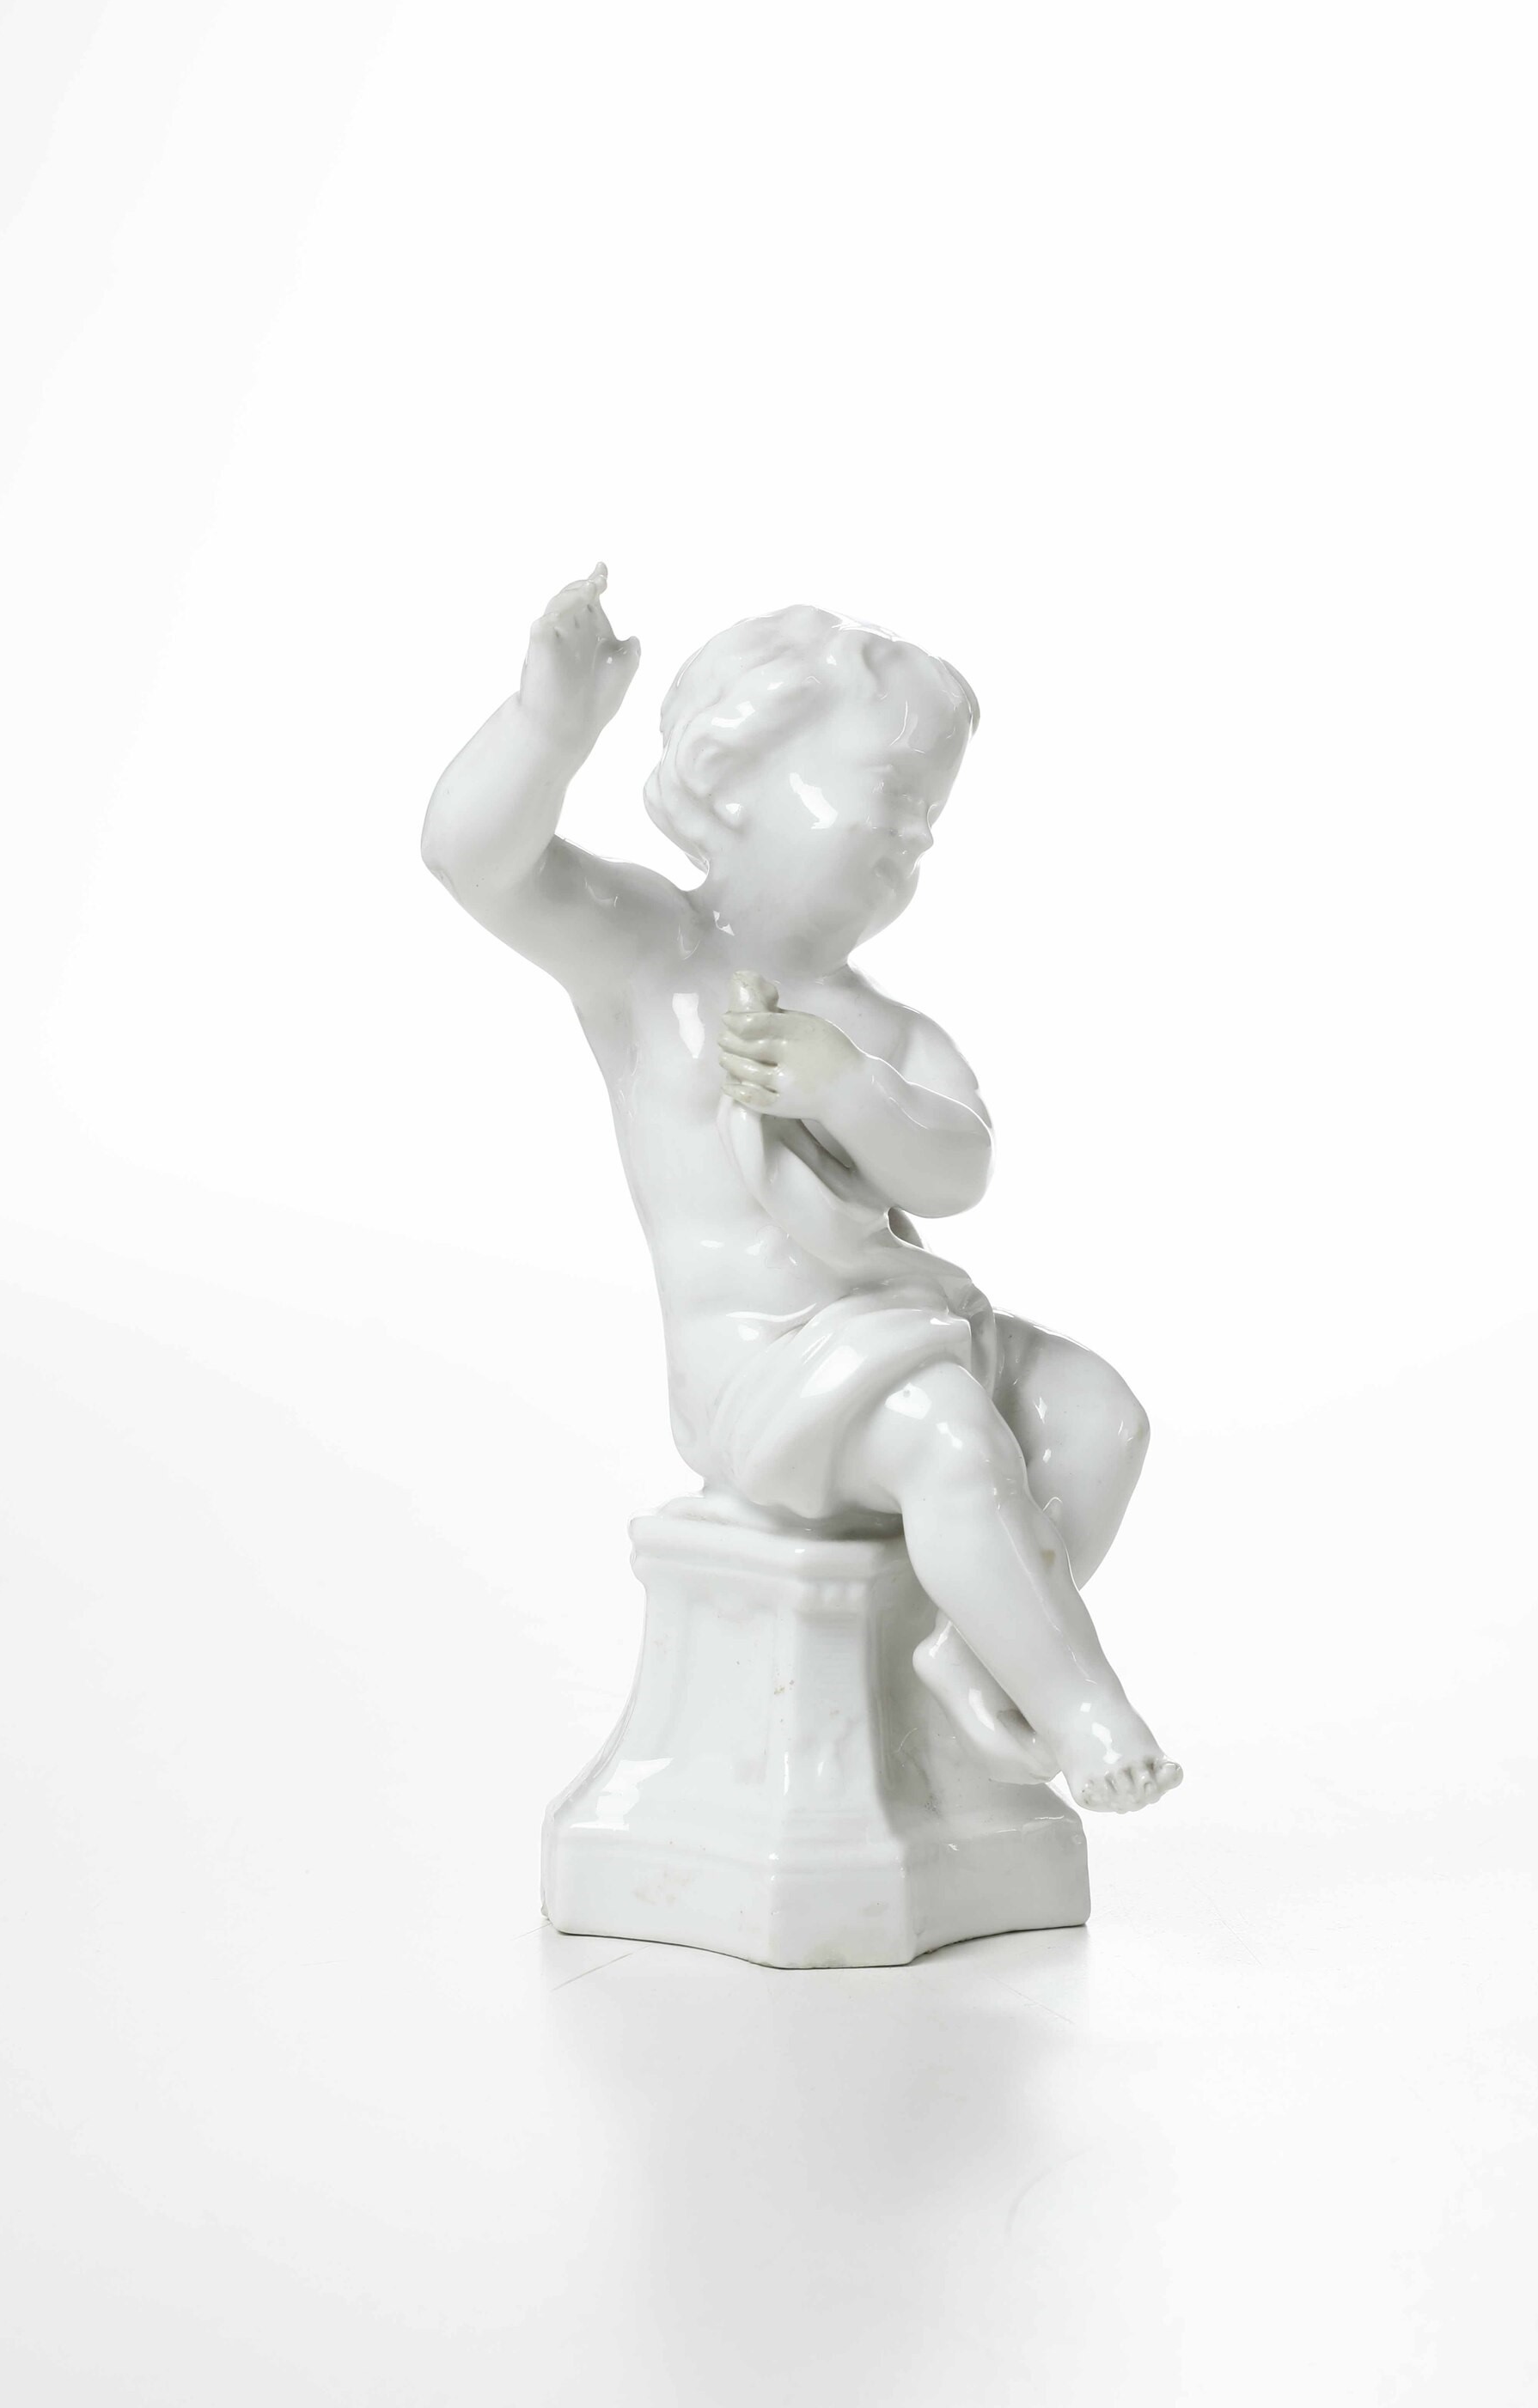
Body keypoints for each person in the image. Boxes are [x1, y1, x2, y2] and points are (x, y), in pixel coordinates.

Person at [420, 566, 1181, 1814]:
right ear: (730, 780)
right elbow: (472, 860)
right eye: (891, 796)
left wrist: (849, 1089)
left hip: (914, 1330)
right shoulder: (649, 953)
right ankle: (1083, 1706)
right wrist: (547, 726)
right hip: (765, 1374)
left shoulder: (892, 1030)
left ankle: (979, 1647)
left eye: (930, 821)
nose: (910, 841)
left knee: (1097, 1415)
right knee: (946, 1436)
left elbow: (960, 1169)